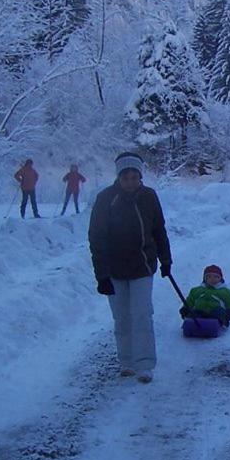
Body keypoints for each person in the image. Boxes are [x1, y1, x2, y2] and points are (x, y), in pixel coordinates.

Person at [88, 152, 172, 384]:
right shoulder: (106, 198)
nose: (131, 181)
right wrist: (102, 275)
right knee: (122, 317)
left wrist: (166, 260)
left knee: (142, 315)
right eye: (126, 176)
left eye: (135, 176)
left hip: (142, 267)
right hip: (114, 269)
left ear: (140, 176)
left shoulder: (149, 197)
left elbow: (159, 230)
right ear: (119, 177)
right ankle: (126, 361)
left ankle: (144, 364)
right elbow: (97, 237)